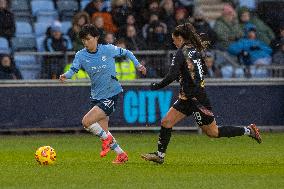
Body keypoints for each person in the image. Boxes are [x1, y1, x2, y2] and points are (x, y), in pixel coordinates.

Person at [141, 23, 262, 164]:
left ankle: (249, 130)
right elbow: (203, 70)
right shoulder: (194, 50)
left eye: (174, 39)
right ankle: (160, 156)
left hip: (197, 99)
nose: (173, 42)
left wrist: (156, 86)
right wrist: (187, 76)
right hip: (188, 97)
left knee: (213, 132)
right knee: (166, 122)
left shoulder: (181, 53)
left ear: (180, 38)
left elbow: (172, 75)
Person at [59, 24, 146, 164]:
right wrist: (65, 76)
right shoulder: (80, 55)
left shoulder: (108, 49)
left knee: (86, 122)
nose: (86, 43)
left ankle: (107, 141)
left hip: (111, 94)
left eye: (88, 39)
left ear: (96, 38)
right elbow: (73, 70)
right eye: (83, 40)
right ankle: (121, 155)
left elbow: (127, 53)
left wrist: (138, 65)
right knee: (104, 132)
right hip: (96, 96)